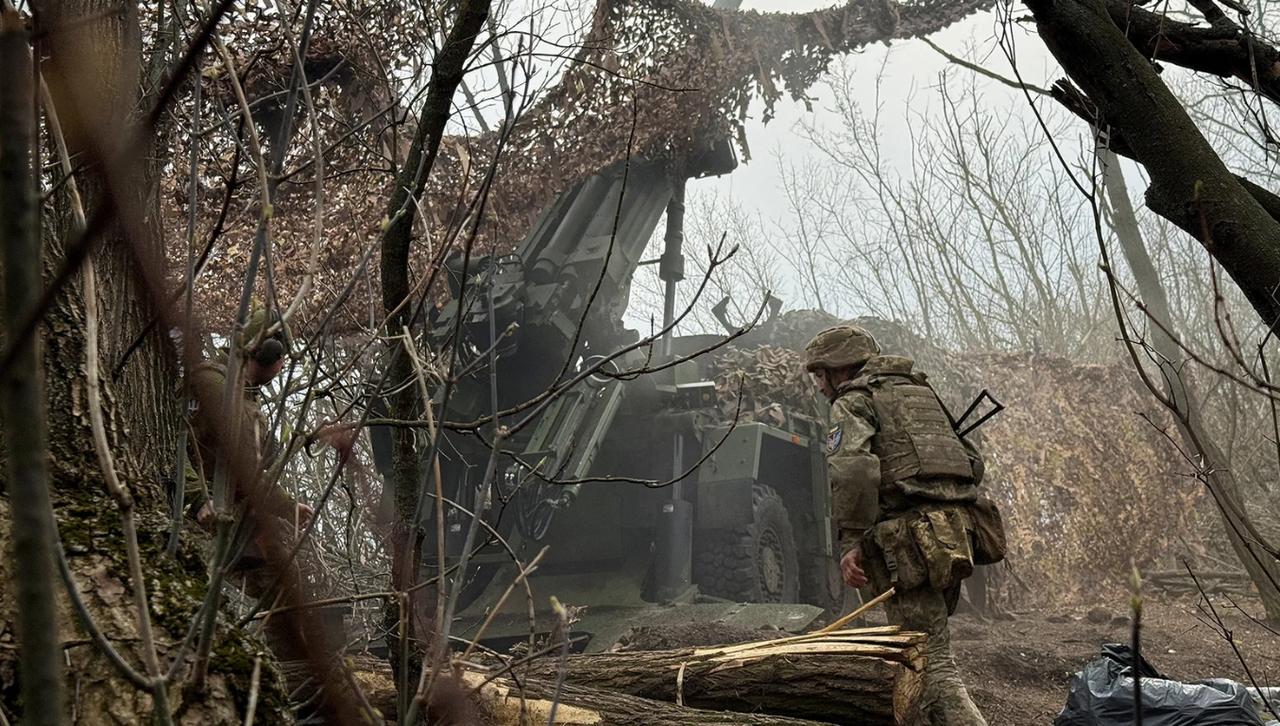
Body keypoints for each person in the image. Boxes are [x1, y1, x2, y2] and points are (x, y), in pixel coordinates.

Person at [806, 324, 995, 726]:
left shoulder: (854, 402)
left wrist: (851, 540)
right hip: (950, 539)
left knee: (934, 666)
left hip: (910, 546)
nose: (820, 386)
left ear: (837, 369)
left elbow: (853, 470)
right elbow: (973, 464)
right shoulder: (919, 395)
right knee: (918, 661)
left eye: (819, 374)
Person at [181, 307, 315, 656]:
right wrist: (196, 499)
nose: (283, 365)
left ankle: (291, 674)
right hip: (200, 513)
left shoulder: (244, 394)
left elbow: (249, 473)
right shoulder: (211, 383)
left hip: (237, 512)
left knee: (283, 580)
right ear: (268, 353)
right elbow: (173, 444)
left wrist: (286, 507)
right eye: (282, 356)